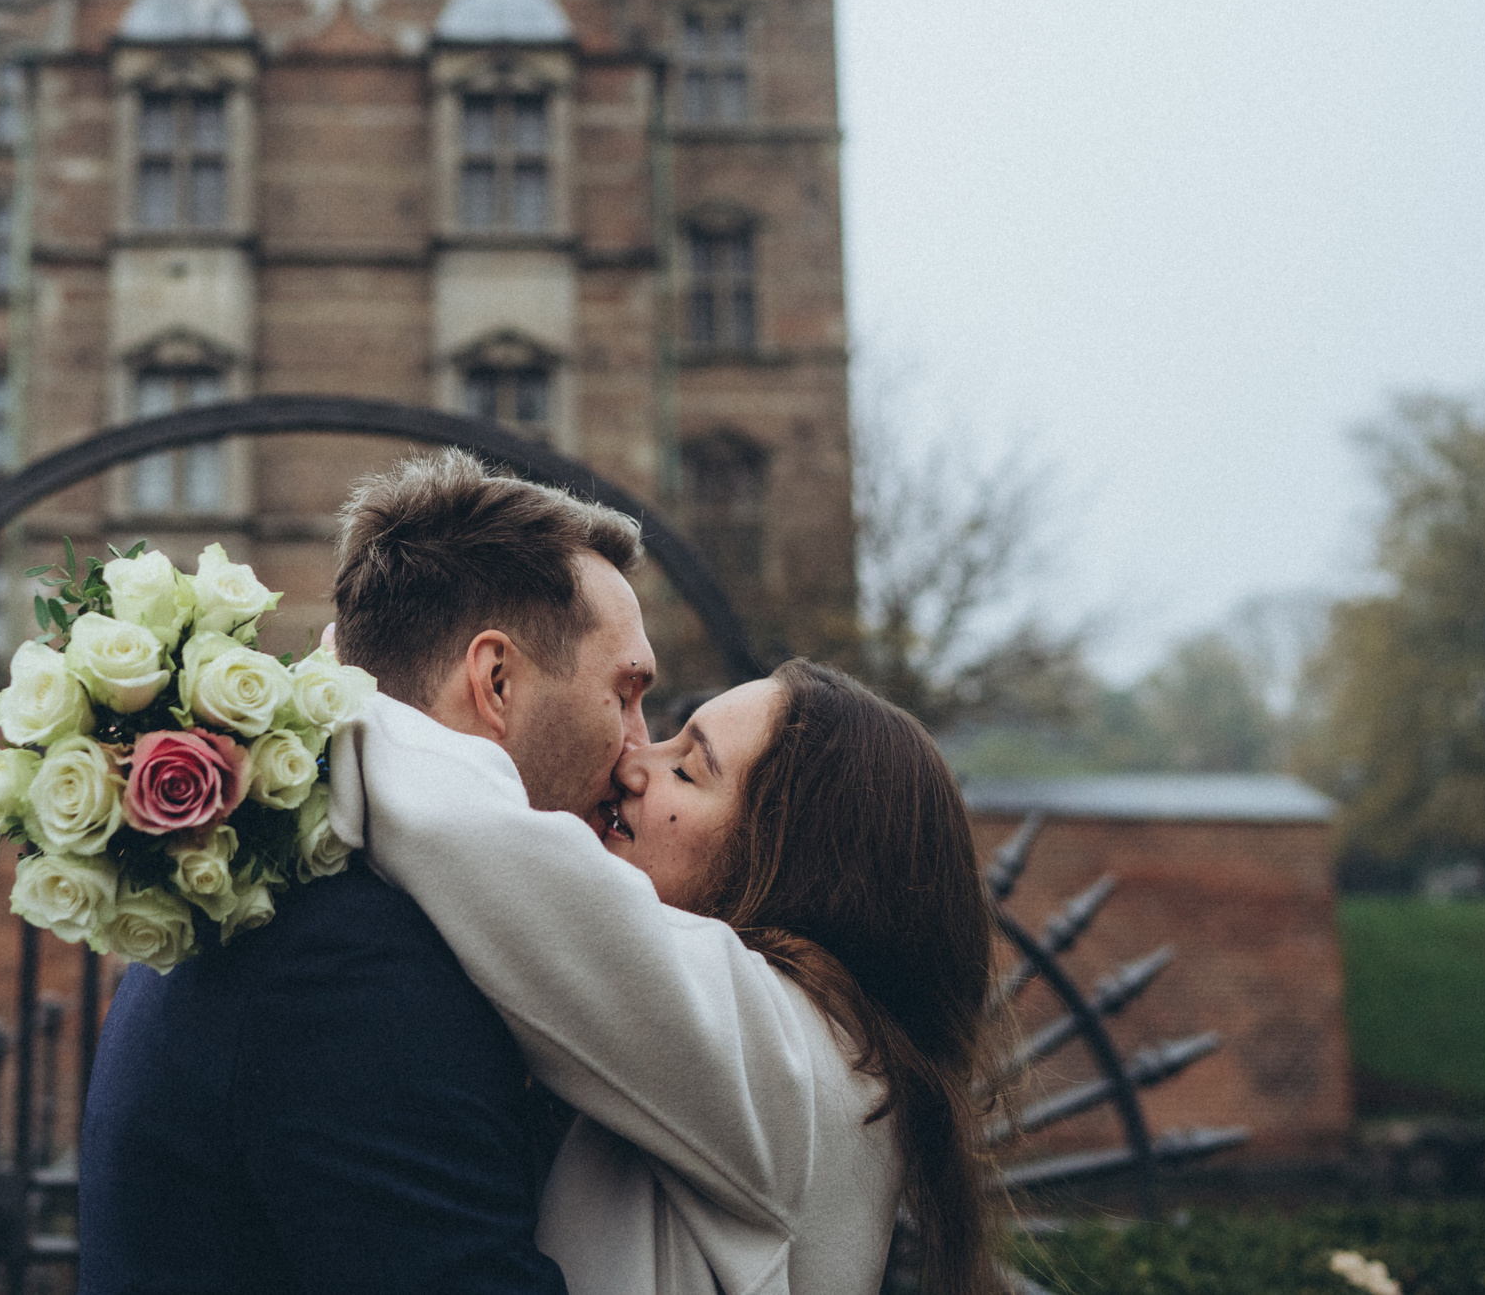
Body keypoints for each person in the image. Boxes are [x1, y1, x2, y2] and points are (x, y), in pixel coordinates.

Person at [76, 451, 657, 1295]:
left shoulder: (305, 902)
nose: (642, 749)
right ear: (495, 680)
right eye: (627, 693)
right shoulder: (350, 961)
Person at [329, 659, 1004, 1295]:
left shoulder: (793, 1062)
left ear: (790, 864)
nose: (632, 761)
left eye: (687, 768)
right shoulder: (820, 1060)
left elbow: (475, 839)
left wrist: (325, 696)